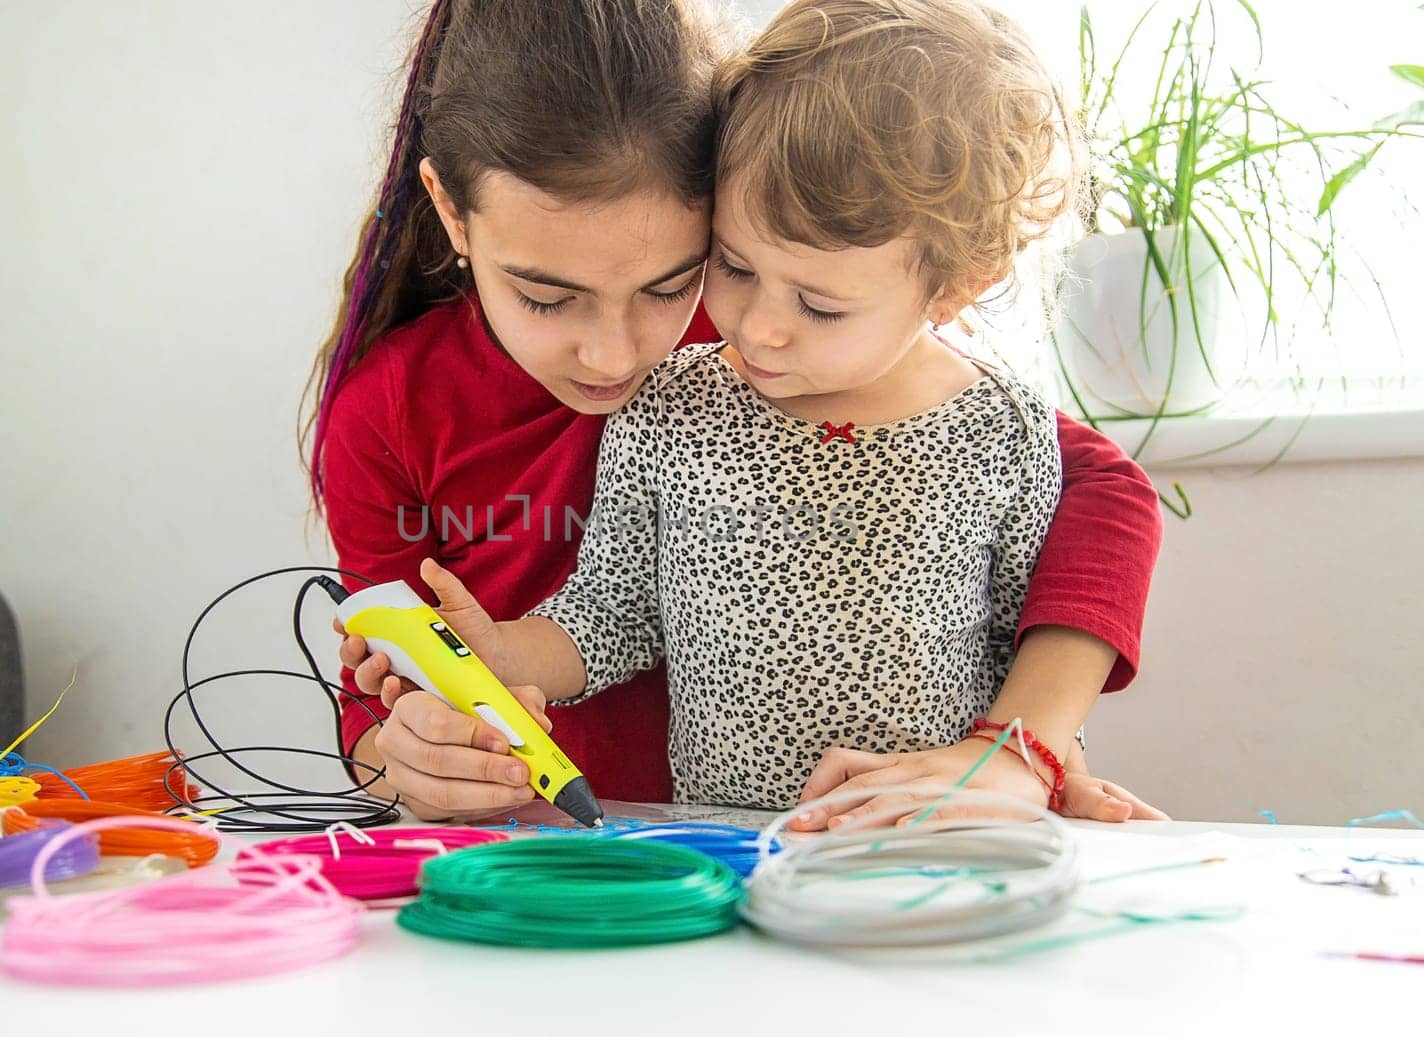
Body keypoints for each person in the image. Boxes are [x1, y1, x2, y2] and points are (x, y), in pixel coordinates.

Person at [315, 0, 1166, 823]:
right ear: (451, 210)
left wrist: (1030, 753)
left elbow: (1092, 506)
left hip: (894, 849)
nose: (618, 358)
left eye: (672, 282)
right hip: (594, 856)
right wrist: (414, 744)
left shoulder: (769, 332)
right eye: (546, 296)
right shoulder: (398, 409)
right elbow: (400, 708)